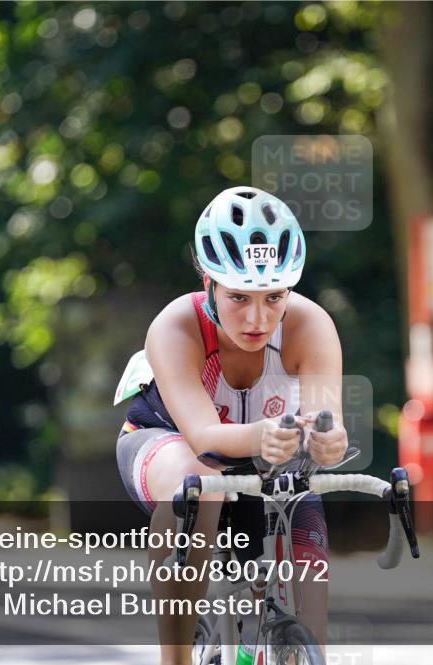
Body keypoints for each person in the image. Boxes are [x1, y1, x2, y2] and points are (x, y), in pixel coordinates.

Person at [116, 186, 349, 665]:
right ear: (209, 285)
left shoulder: (311, 326)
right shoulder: (176, 326)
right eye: (239, 296)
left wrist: (328, 442)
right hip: (170, 443)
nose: (257, 318)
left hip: (269, 458)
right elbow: (205, 441)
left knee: (310, 627)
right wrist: (265, 435)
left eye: (274, 297)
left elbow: (327, 427)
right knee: (199, 484)